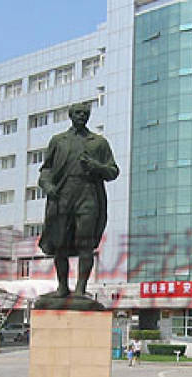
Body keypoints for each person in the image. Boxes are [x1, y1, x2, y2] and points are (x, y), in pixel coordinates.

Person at [38, 102, 119, 298]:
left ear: (89, 116)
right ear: (71, 115)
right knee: (60, 245)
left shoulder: (98, 142)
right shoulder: (58, 141)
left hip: (88, 195)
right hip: (63, 196)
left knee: (86, 244)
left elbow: (113, 171)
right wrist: (47, 186)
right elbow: (46, 170)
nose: (81, 116)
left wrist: (96, 166)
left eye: (85, 113)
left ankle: (81, 288)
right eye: (78, 113)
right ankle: (62, 287)